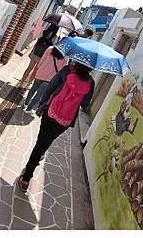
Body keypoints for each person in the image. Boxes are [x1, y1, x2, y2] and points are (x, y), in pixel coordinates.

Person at [17, 61, 95, 192]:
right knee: (47, 141)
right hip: (65, 120)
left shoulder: (66, 71)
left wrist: (42, 104)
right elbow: (85, 105)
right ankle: (39, 156)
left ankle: (26, 178)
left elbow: (50, 88)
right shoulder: (90, 83)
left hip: (51, 112)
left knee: (40, 142)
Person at [23, 47, 68, 113]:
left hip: (41, 72)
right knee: (39, 94)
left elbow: (42, 60)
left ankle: (26, 103)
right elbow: (62, 71)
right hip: (50, 78)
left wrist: (38, 68)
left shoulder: (50, 49)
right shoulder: (65, 58)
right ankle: (29, 109)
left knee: (33, 89)